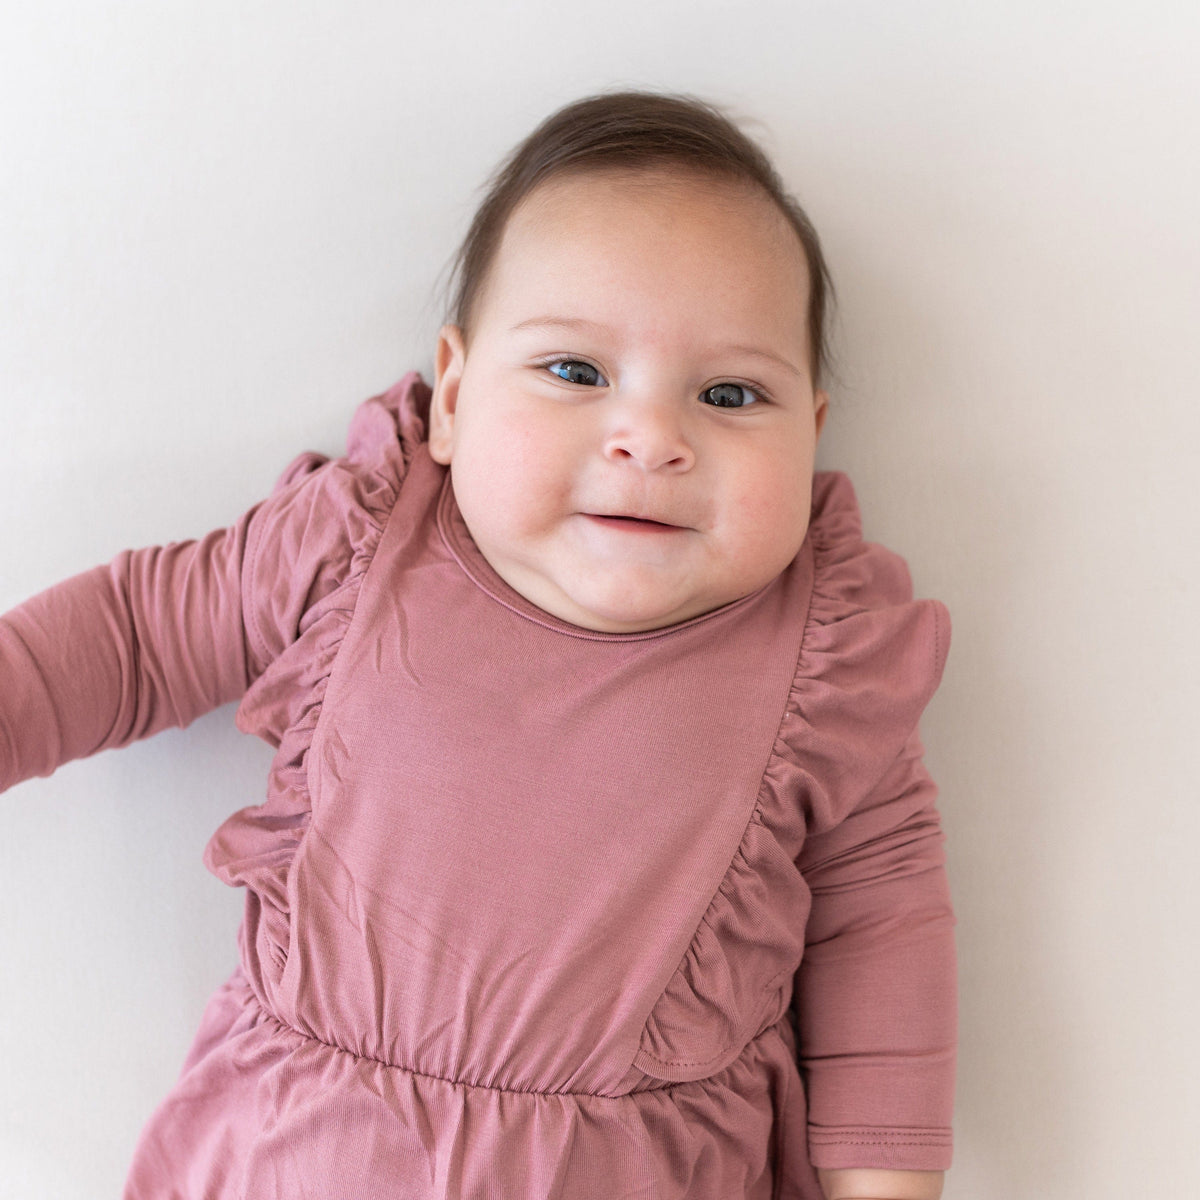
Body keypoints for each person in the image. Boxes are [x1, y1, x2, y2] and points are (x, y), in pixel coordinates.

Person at [0, 91, 956, 1200]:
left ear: (812, 434)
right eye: (576, 372)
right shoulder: (361, 546)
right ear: (451, 397)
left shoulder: (828, 663)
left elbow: (884, 922)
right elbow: (131, 637)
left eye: (730, 394)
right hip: (297, 1158)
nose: (650, 436)